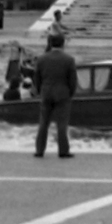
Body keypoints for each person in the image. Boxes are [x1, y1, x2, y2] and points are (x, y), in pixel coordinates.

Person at [34, 31, 78, 159]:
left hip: (46, 93)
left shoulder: (42, 59)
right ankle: (63, 150)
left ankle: (39, 150)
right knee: (62, 124)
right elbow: (73, 80)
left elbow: (37, 78)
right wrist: (70, 93)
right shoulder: (69, 60)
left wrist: (40, 91)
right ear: (63, 44)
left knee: (43, 124)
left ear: (50, 43)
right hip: (63, 94)